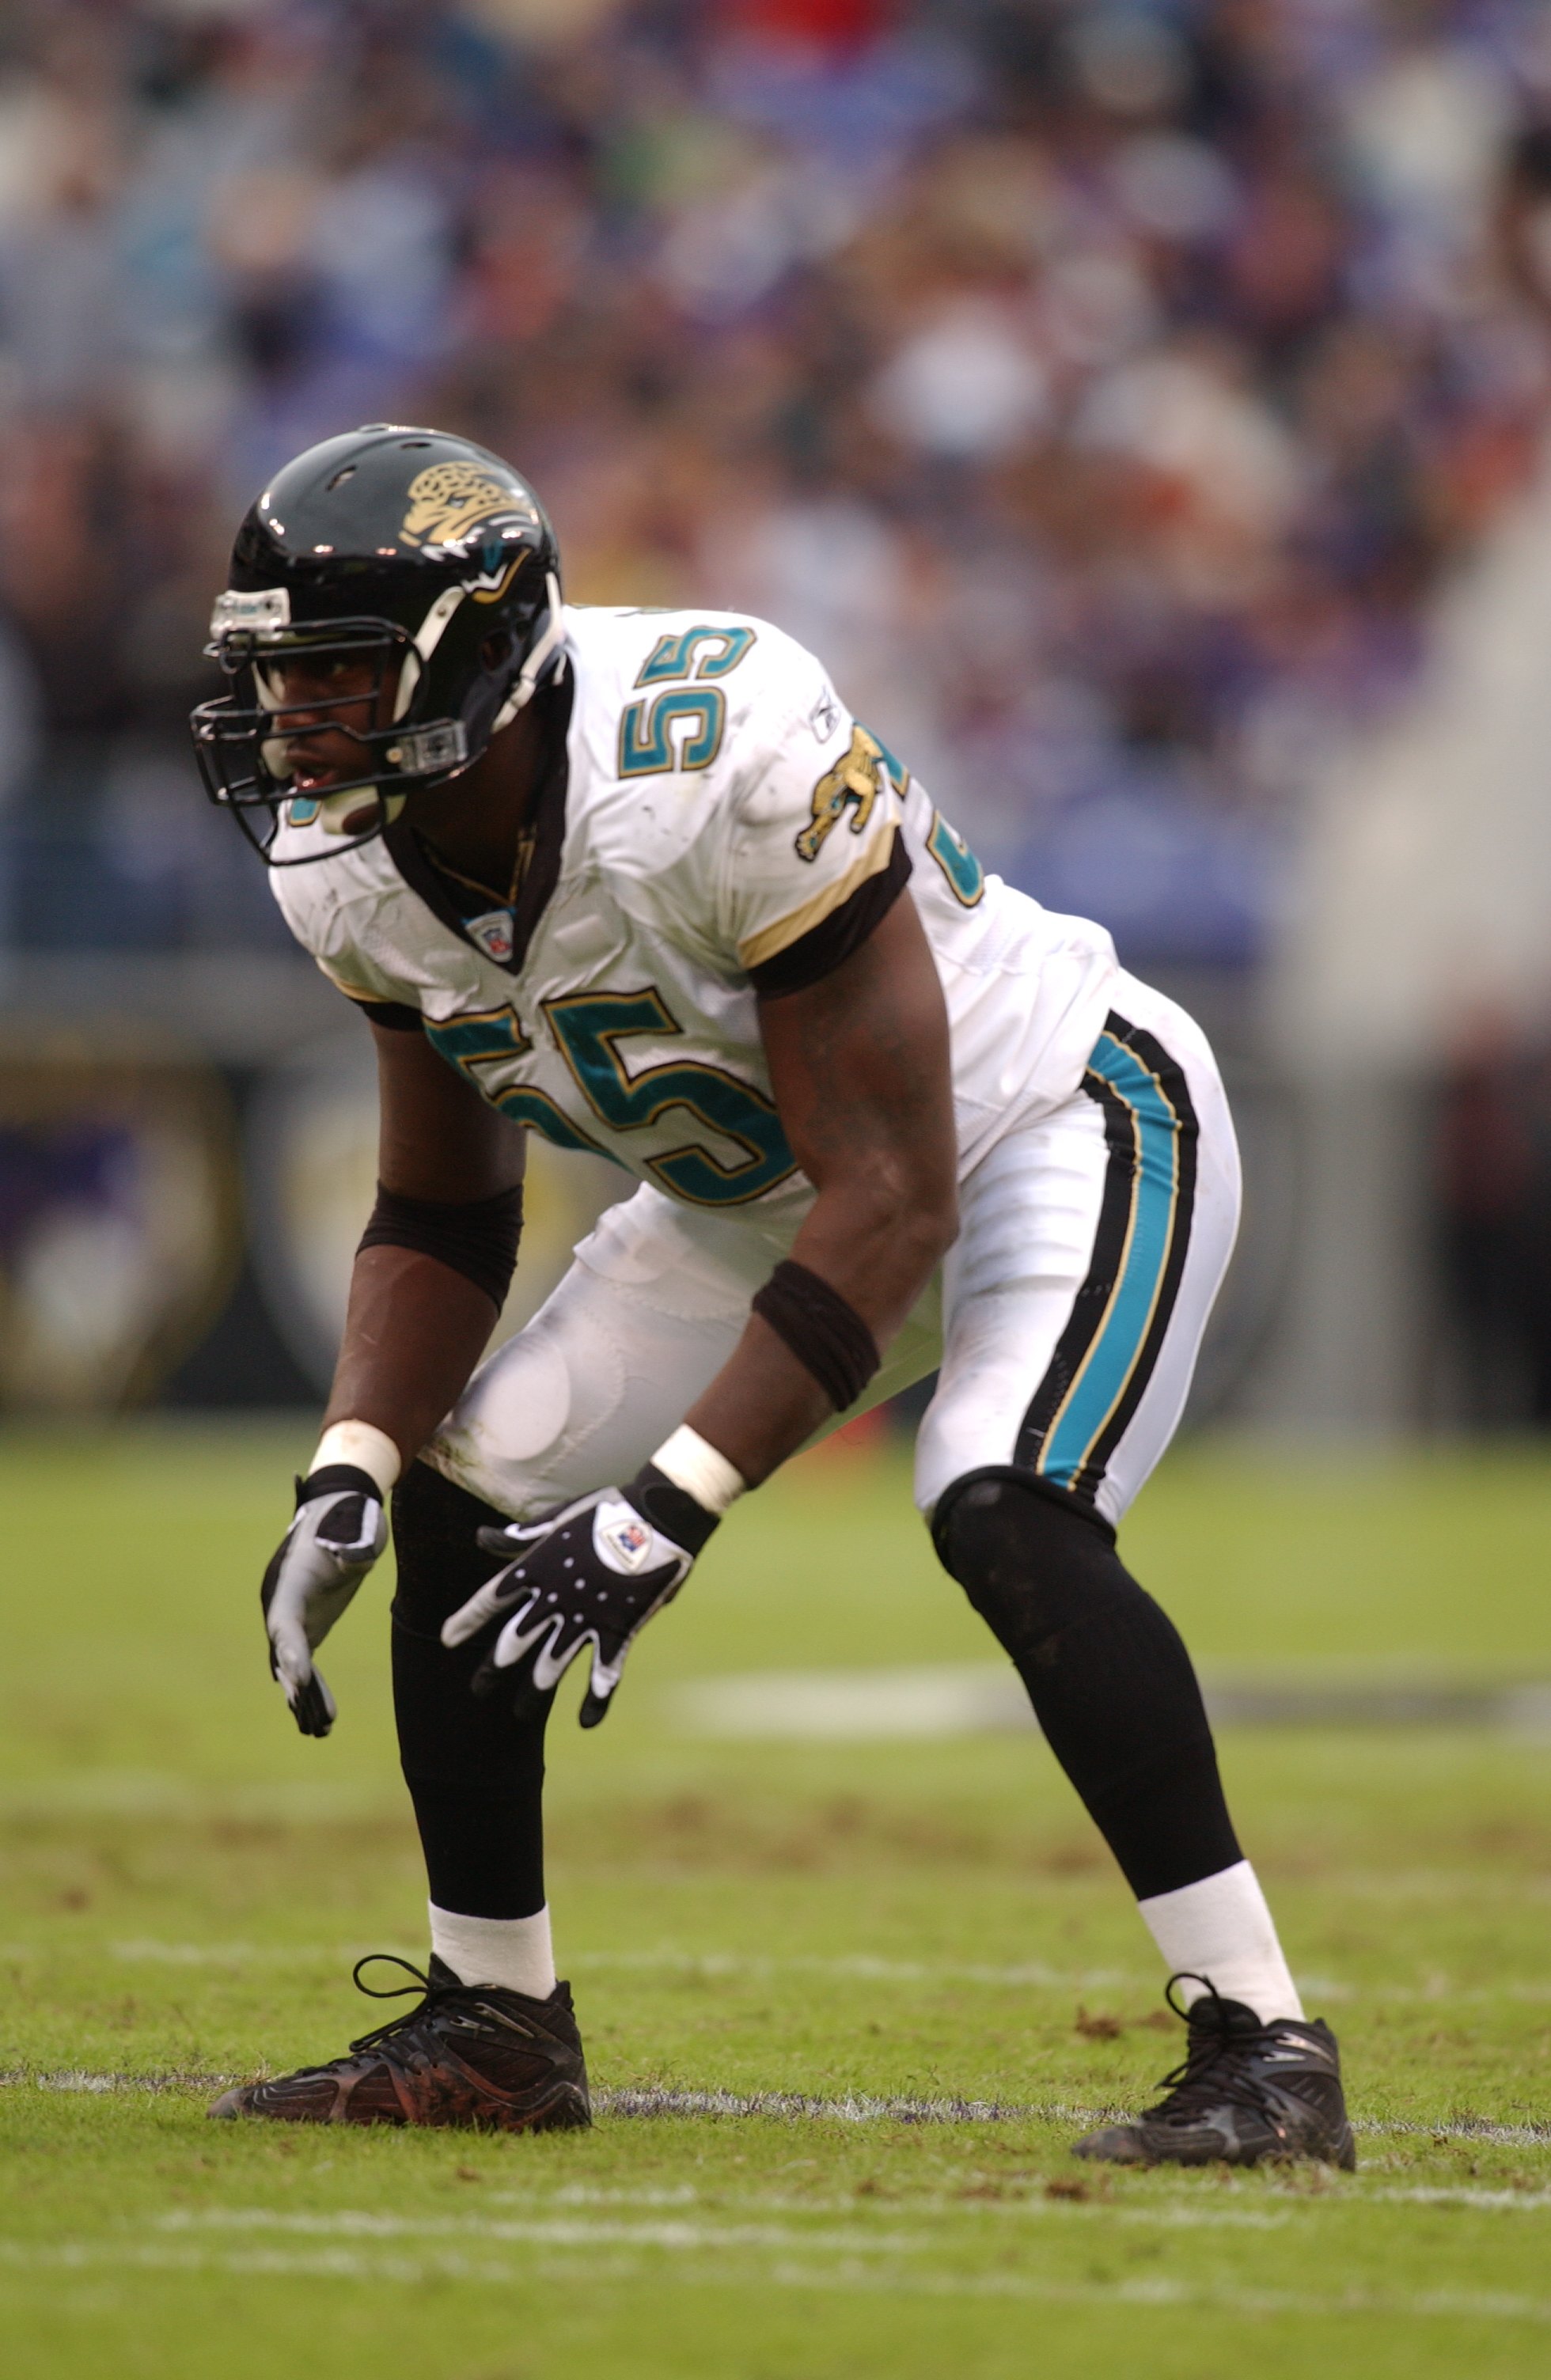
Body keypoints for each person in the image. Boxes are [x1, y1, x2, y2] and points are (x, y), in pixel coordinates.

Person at [191, 423, 1352, 2167]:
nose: (301, 724)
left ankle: (1262, 2043)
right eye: (284, 680)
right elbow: (438, 1208)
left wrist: (662, 1515)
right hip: (760, 1194)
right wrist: (349, 1455)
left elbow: (895, 1197)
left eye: (343, 674)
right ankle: (494, 2014)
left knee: (999, 1499)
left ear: (487, 654)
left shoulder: (715, 739)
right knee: (464, 1486)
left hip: (1043, 1114)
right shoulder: (345, 862)